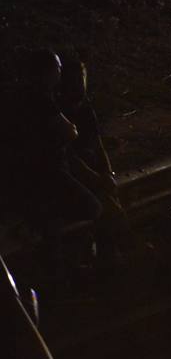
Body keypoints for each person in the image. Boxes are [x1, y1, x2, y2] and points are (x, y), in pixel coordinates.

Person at [6, 48, 101, 281]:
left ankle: (58, 268)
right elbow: (69, 132)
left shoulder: (22, 97)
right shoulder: (41, 99)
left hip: (31, 175)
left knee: (52, 222)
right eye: (58, 68)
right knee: (91, 207)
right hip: (49, 173)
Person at [58, 53, 134, 270]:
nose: (81, 83)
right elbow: (68, 157)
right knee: (108, 206)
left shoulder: (85, 109)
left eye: (83, 77)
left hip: (91, 172)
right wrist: (97, 178)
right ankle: (122, 250)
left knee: (110, 198)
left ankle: (111, 253)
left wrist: (107, 172)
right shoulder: (60, 113)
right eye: (76, 79)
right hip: (75, 177)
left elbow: (98, 145)